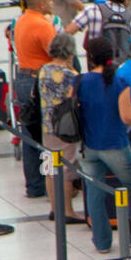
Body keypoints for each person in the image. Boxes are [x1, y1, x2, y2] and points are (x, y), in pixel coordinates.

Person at [78, 38, 131, 253]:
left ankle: (101, 242)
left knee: (94, 194)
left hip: (89, 147)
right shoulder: (120, 82)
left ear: (89, 57)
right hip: (116, 145)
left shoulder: (80, 82)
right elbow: (126, 117)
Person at [13, 0, 58, 197]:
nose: (52, 2)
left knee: (29, 133)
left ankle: (34, 185)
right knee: (48, 134)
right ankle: (53, 182)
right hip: (39, 82)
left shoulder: (22, 20)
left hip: (22, 78)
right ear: (41, 4)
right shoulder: (42, 25)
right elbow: (57, 55)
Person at [37, 34, 85, 224]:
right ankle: (67, 211)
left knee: (50, 167)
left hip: (47, 125)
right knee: (66, 169)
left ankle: (53, 209)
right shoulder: (70, 75)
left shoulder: (44, 69)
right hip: (66, 128)